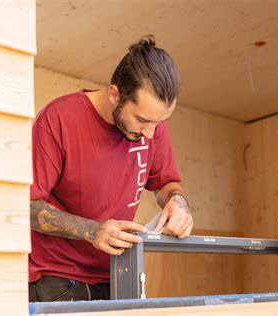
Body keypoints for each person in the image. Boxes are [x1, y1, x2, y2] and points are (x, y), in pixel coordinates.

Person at [28, 35, 193, 302]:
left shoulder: (152, 128)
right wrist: (92, 231)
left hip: (118, 274)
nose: (151, 133)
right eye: (142, 120)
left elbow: (166, 183)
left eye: (160, 121)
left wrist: (178, 201)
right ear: (114, 94)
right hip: (58, 278)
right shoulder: (59, 119)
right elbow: (27, 206)